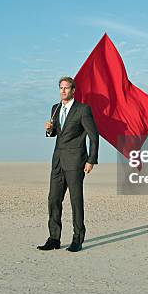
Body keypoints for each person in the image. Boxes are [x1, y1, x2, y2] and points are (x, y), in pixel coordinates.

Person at [37, 76, 99, 253]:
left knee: (75, 201)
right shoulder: (55, 109)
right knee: (53, 199)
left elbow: (94, 136)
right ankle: (54, 238)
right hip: (57, 161)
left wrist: (91, 160)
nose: (63, 91)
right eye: (61, 88)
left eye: (67, 88)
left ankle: (77, 239)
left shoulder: (83, 110)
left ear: (73, 90)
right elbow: (56, 134)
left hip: (76, 161)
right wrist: (49, 130)